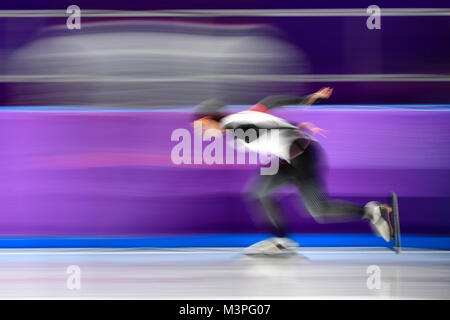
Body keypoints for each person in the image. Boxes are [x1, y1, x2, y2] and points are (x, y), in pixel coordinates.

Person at [193, 88, 393, 255]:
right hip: (289, 158)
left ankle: (372, 211)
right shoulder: (238, 121)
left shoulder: (236, 127)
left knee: (318, 209)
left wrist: (295, 126)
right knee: (259, 194)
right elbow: (270, 102)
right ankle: (281, 241)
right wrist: (304, 103)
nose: (201, 131)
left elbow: (267, 125)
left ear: (212, 119)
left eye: (202, 125)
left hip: (302, 156)